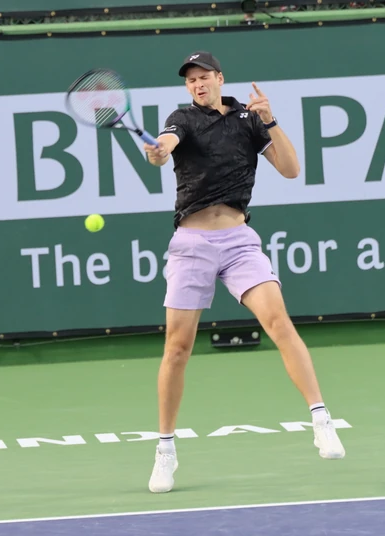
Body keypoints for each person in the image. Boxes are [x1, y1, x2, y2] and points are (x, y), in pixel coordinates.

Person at [142, 51, 346, 494]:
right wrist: (159, 152)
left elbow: (291, 170)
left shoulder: (249, 120)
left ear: (220, 78)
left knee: (279, 323)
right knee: (177, 349)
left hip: (238, 241)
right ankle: (165, 450)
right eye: (190, 80)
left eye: (203, 77)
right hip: (192, 244)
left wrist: (270, 120)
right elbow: (167, 146)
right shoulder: (181, 118)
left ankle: (321, 420)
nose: (197, 85)